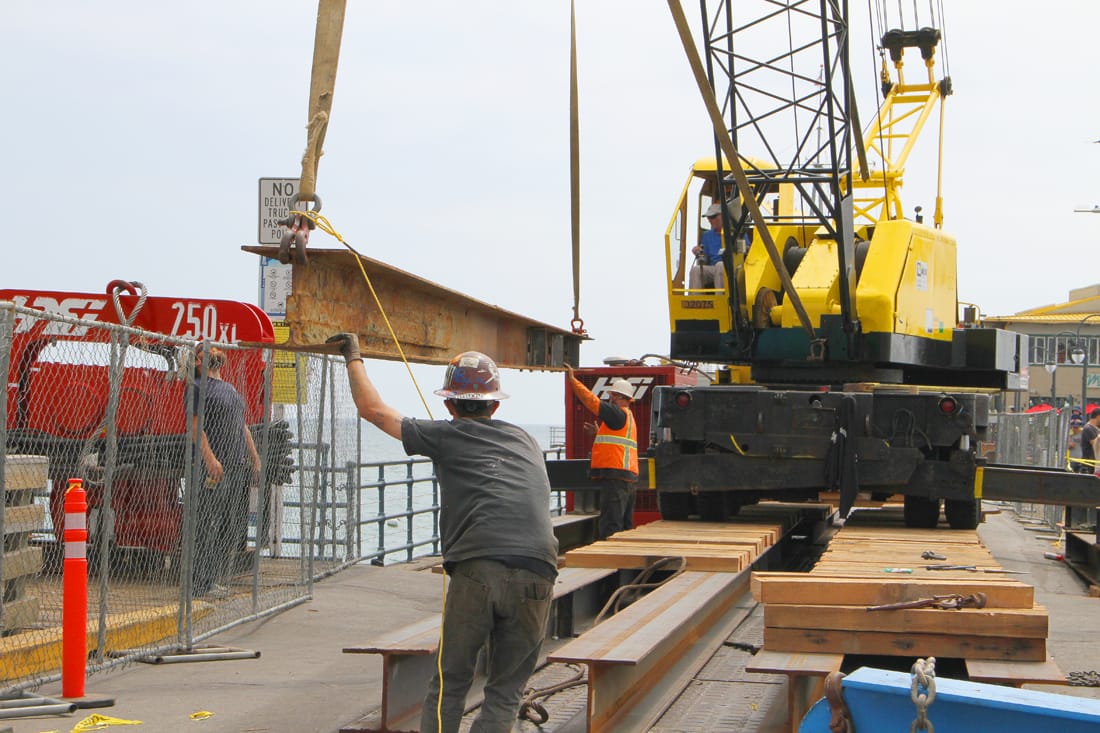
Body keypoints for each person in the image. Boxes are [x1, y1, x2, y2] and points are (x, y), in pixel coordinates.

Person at [326, 333, 558, 733]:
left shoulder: (446, 435)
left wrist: (354, 355)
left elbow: (372, 409)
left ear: (448, 403)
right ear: (496, 403)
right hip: (539, 568)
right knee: (505, 690)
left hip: (477, 567)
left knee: (451, 683)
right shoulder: (526, 439)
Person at [187, 343, 261, 598]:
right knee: (206, 524)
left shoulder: (230, 390)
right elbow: (196, 427)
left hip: (236, 464)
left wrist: (254, 458)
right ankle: (199, 585)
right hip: (214, 467)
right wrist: (210, 459)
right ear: (198, 361)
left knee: (225, 526)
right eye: (206, 351)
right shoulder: (197, 388)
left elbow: (243, 426)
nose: (214, 351)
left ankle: (211, 580)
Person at [564, 364, 638, 539]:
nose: (610, 399)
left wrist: (573, 381)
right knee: (625, 524)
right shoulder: (627, 417)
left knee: (611, 524)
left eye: (612, 396)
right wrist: (598, 433)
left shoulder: (617, 414)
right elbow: (619, 443)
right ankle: (624, 562)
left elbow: (592, 402)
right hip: (627, 477)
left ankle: (611, 561)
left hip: (616, 476)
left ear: (620, 397)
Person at [690, 202, 727, 290]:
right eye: (709, 217)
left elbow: (746, 250)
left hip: (732, 269)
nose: (710, 220)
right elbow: (704, 258)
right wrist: (699, 252)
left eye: (713, 217)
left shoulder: (735, 232)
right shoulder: (707, 236)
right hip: (713, 269)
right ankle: (696, 301)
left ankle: (720, 300)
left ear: (722, 216)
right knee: (696, 270)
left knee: (720, 265)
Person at [1079, 409, 1100, 474]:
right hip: (1089, 464)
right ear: (1098, 417)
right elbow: (1094, 443)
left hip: (1095, 463)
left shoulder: (1096, 428)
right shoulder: (1088, 428)